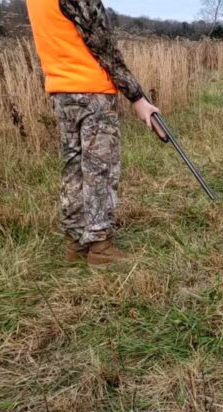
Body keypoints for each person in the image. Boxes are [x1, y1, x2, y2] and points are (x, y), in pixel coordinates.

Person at [25, 0, 163, 267]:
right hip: (93, 90)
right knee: (99, 169)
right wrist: (137, 97)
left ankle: (75, 243)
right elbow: (102, 44)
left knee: (73, 168)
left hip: (60, 90)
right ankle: (100, 246)